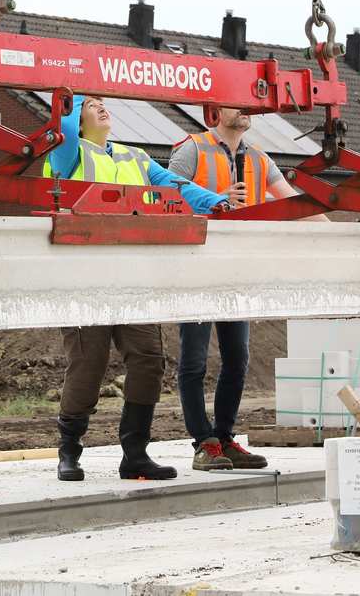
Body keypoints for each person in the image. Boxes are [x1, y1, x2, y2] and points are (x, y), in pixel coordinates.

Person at [46, 95, 228, 482]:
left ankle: (135, 454)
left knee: (148, 359)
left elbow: (176, 186)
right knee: (88, 365)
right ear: (75, 121)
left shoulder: (135, 157)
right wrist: (70, 91)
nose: (101, 108)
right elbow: (62, 127)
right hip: (83, 279)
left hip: (132, 279)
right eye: (90, 105)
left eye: (100, 102)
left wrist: (219, 203)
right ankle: (69, 452)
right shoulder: (66, 155)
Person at [167, 107, 319, 471]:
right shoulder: (192, 150)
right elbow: (164, 197)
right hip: (197, 268)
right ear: (216, 111)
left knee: (237, 358)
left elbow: (292, 202)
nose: (246, 110)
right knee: (194, 360)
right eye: (237, 104)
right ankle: (203, 443)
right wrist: (214, 196)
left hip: (237, 270)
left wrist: (336, 232)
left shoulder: (259, 159)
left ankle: (223, 437)